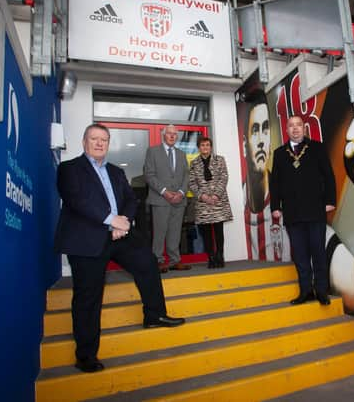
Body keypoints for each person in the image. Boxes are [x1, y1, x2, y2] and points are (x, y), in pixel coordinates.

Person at [54, 123, 185, 374]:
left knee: (147, 263)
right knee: (88, 296)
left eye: (104, 139)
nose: (99, 143)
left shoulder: (116, 171)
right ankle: (85, 355)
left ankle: (154, 315)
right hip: (87, 239)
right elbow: (77, 199)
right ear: (84, 142)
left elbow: (129, 199)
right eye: (94, 139)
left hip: (120, 234)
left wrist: (122, 222)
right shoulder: (69, 169)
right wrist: (109, 219)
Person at [270, 116, 336, 305]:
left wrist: (330, 200)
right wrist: (275, 206)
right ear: (287, 130)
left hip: (316, 210)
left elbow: (329, 176)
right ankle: (305, 291)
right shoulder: (280, 153)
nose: (295, 129)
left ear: (304, 128)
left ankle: (322, 290)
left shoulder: (317, 148)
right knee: (300, 254)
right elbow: (275, 183)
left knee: (318, 252)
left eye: (298, 125)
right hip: (292, 212)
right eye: (291, 126)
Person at [243, 99, 290, 261]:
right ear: (244, 146)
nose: (262, 140)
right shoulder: (239, 204)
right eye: (255, 130)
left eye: (265, 130)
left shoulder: (286, 194)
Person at [144, 124, 191, 272]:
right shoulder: (152, 151)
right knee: (159, 232)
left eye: (175, 134)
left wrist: (182, 193)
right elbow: (149, 175)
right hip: (160, 200)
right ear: (163, 135)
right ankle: (157, 261)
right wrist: (164, 191)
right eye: (169, 133)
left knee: (175, 232)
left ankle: (174, 261)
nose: (172, 136)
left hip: (179, 200)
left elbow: (187, 176)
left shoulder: (182, 154)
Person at [189, 137, 233, 268]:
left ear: (211, 147)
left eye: (207, 145)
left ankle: (220, 256)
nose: (205, 147)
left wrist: (215, 195)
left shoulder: (220, 160)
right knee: (206, 232)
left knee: (219, 231)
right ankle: (211, 258)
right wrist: (202, 196)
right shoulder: (194, 163)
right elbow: (191, 182)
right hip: (203, 203)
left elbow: (224, 177)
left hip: (218, 202)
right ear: (199, 147)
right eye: (202, 145)